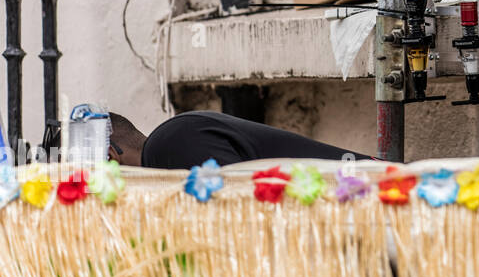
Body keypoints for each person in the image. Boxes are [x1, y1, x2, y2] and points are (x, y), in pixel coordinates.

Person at [108, 111, 369, 169]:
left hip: (388, 200)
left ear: (111, 157)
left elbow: (234, 214)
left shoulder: (166, 148)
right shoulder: (169, 143)